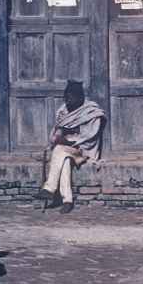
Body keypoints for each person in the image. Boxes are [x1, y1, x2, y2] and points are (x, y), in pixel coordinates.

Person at [34, 81, 105, 214]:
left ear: (80, 97)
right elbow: (56, 131)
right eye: (66, 97)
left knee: (59, 150)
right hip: (66, 151)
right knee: (64, 160)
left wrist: (66, 141)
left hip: (82, 150)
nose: (68, 100)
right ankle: (67, 200)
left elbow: (89, 136)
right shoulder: (63, 110)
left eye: (71, 97)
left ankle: (49, 188)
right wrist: (58, 137)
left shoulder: (90, 111)